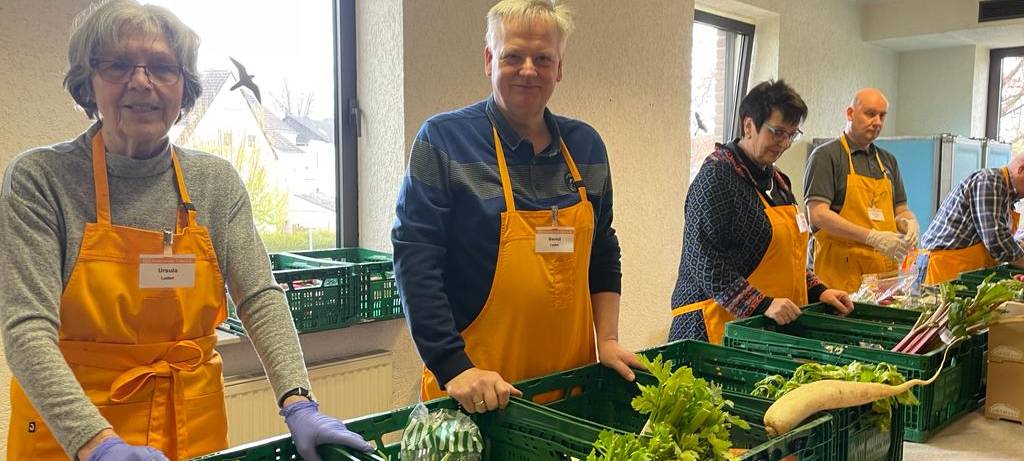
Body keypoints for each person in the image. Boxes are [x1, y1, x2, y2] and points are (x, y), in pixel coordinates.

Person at [0, 2, 372, 460]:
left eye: (162, 67)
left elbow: (259, 297)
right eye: (118, 65)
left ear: (184, 89)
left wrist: (298, 401)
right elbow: (26, 330)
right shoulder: (42, 179)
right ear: (88, 83)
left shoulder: (213, 183)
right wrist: (97, 446)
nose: (142, 81)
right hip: (71, 437)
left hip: (191, 428)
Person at [392, 0, 639, 414]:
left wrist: (608, 340)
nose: (529, 70)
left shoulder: (587, 147)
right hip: (478, 395)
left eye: (543, 58)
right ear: (489, 60)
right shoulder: (443, 141)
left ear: (559, 68)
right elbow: (415, 258)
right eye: (513, 56)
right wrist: (453, 367)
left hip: (571, 390)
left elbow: (603, 247)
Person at [669, 80, 854, 343]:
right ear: (748, 126)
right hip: (711, 329)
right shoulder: (717, 177)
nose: (784, 143)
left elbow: (789, 254)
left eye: (792, 134)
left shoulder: (778, 181)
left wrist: (819, 290)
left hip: (763, 329)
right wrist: (760, 304)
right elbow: (703, 259)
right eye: (777, 132)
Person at [804, 88, 920, 292]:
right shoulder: (826, 156)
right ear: (850, 113)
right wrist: (872, 237)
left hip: (884, 281)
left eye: (882, 116)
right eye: (870, 113)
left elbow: (901, 209)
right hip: (841, 279)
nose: (877, 122)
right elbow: (818, 215)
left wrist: (910, 223)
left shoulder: (888, 161)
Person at [917, 155, 1024, 284]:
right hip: (941, 269)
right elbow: (997, 241)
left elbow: (1002, 239)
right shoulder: (990, 181)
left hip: (963, 271)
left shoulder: (1008, 196)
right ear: (1021, 170)